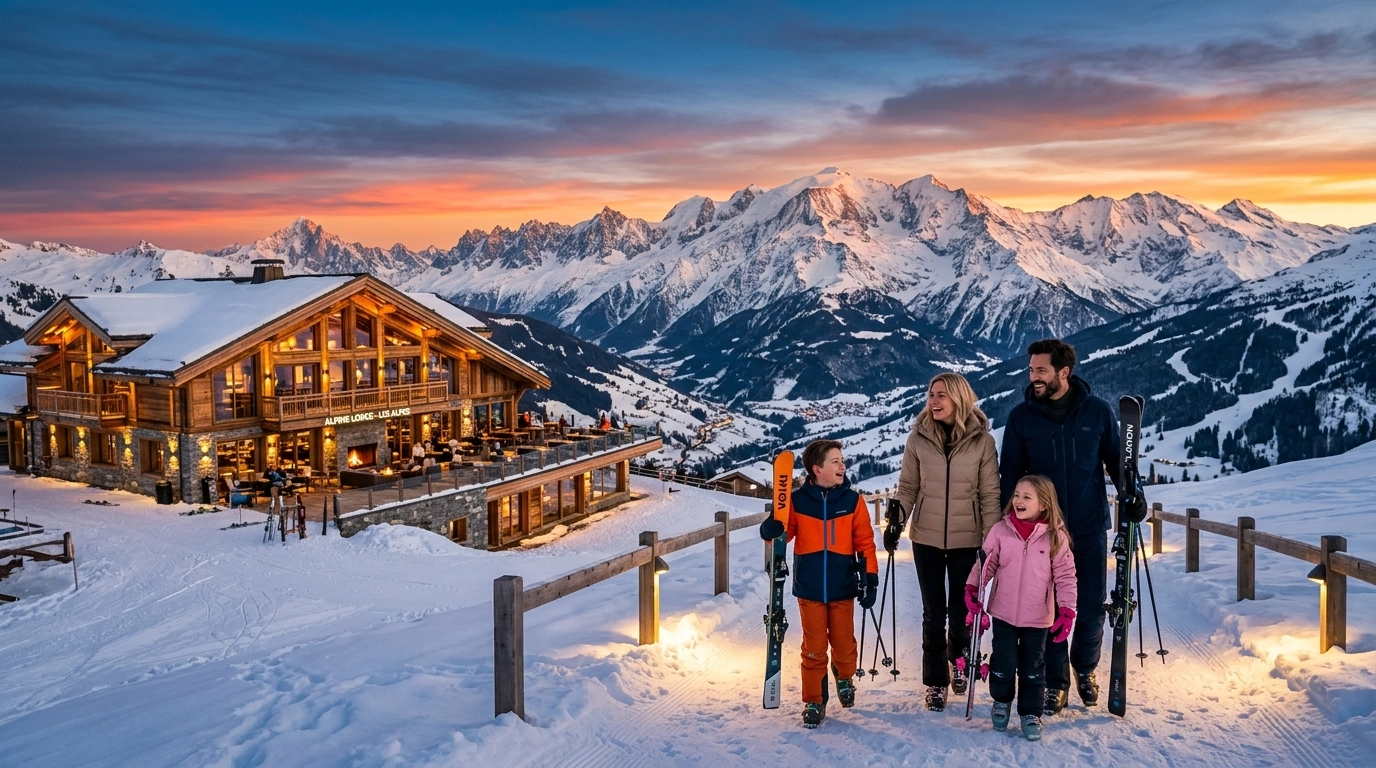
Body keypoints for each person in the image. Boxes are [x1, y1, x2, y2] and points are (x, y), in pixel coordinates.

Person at [999, 338, 1146, 716]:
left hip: (1088, 526)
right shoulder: (1021, 418)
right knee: (1048, 609)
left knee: (1092, 607)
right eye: (1031, 370)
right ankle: (1056, 682)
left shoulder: (1096, 413)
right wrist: (1009, 524)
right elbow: (1010, 476)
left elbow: (1118, 463)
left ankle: (1085, 668)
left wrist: (1135, 494)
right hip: (1041, 534)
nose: (1034, 377)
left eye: (1041, 370)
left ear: (1064, 372)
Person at [891, 372, 1001, 712]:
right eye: (930, 395)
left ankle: (959, 662)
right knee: (933, 612)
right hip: (926, 537)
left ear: (959, 399)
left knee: (960, 611)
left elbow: (989, 495)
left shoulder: (982, 441)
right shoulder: (918, 438)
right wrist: (897, 520)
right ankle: (935, 682)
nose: (933, 401)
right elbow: (908, 486)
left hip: (967, 540)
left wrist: (992, 539)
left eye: (941, 395)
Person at [760, 440, 879, 729]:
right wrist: (769, 529)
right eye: (836, 461)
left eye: (842, 460)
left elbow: (865, 542)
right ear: (817, 469)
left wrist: (870, 578)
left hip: (843, 585)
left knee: (843, 644)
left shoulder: (852, 501)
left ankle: (844, 674)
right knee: (813, 647)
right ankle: (814, 700)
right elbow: (782, 535)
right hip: (810, 587)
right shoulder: (798, 502)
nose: (843, 466)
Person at [966, 475, 1077, 742]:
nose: (1018, 500)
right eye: (1017, 494)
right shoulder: (1001, 531)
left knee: (1033, 667)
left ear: (1044, 505)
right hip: (1003, 613)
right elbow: (986, 564)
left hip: (1038, 618)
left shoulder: (1055, 538)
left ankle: (1030, 711)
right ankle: (1001, 702)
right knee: (1003, 662)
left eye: (1027, 497)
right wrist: (973, 588)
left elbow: (1066, 577)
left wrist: (1067, 610)